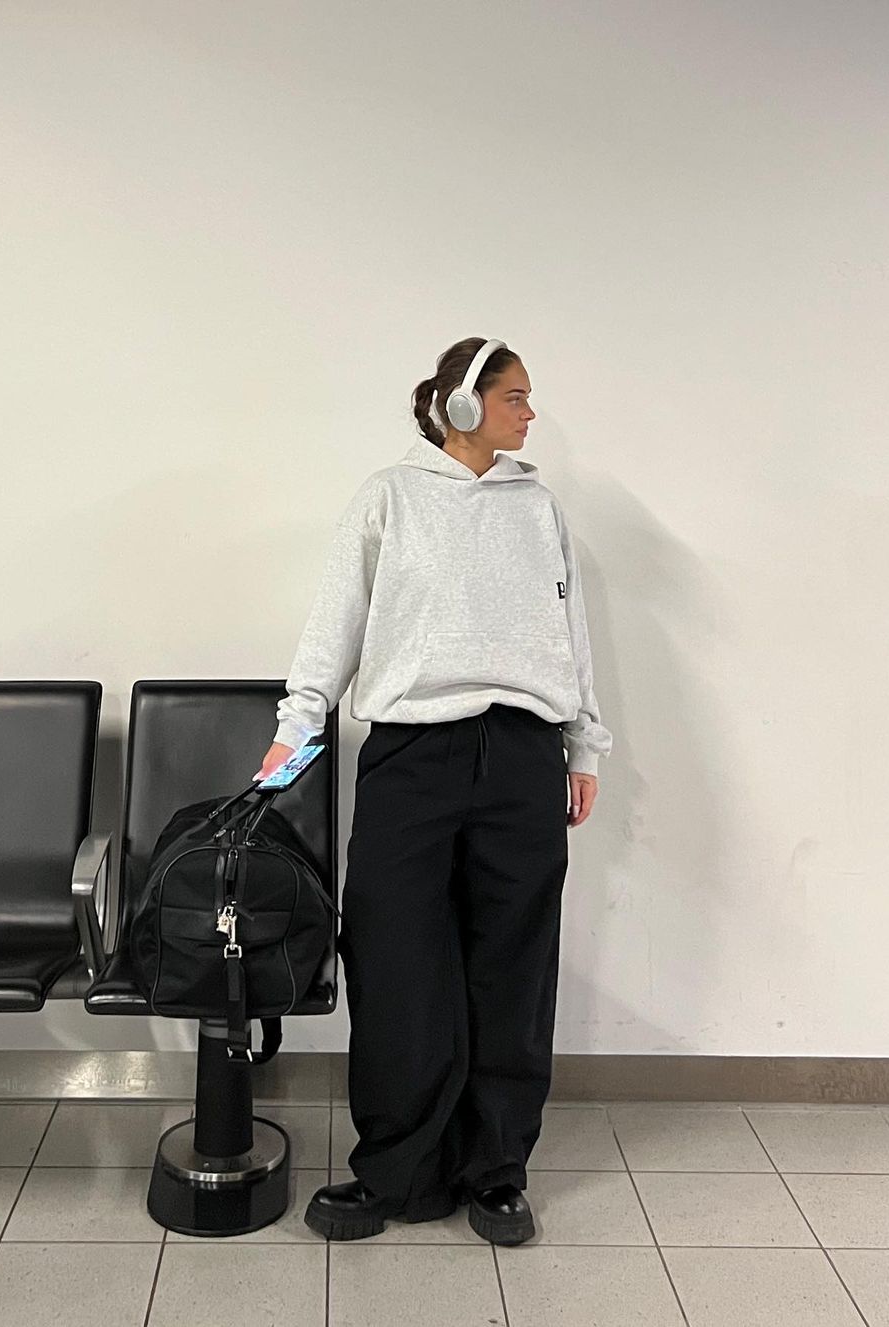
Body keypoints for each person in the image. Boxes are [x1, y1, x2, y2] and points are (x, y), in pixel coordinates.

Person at [254, 336, 612, 1245]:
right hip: (412, 755)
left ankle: (496, 1171)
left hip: (523, 753)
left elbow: (568, 634)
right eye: (515, 396)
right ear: (461, 403)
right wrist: (296, 728)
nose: (530, 413)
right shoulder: (390, 496)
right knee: (395, 958)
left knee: (513, 965)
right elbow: (335, 622)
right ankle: (396, 1171)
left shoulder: (539, 507)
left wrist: (583, 746)